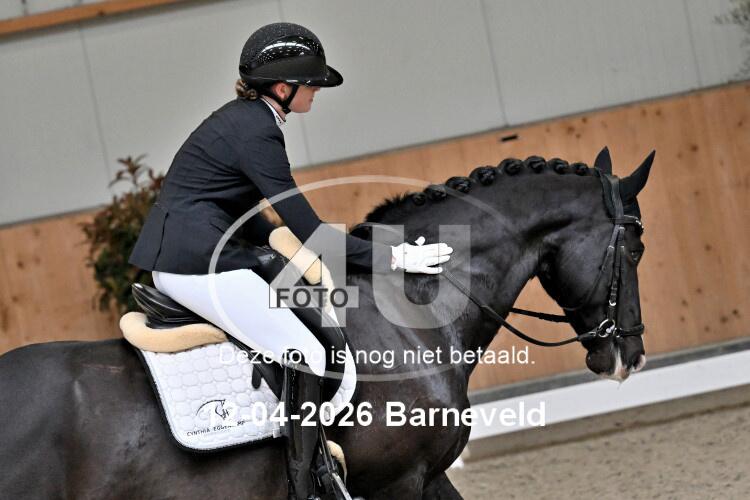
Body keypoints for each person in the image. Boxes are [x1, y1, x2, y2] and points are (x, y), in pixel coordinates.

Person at [128, 22, 452, 499]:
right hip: (195, 264)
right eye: (311, 84)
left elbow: (234, 203)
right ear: (283, 88)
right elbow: (313, 232)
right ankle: (307, 484)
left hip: (203, 250)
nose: (316, 91)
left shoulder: (247, 120)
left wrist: (275, 237)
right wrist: (398, 256)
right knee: (308, 353)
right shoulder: (257, 130)